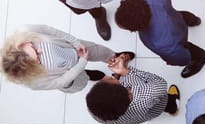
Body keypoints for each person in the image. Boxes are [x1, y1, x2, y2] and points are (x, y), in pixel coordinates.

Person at [115, 0, 205, 78]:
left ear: (137, 28)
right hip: (174, 15)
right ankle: (194, 20)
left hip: (177, 37)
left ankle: (202, 57)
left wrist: (173, 61)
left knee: (189, 49)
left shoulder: (158, 43)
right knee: (183, 16)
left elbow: (180, 57)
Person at [0, 24, 134, 93]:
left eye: (33, 47)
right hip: (70, 74)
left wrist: (75, 43)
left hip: (74, 48)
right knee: (83, 77)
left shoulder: (26, 30)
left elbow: (49, 30)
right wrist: (81, 64)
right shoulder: (34, 82)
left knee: (99, 51)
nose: (40, 50)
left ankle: (114, 58)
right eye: (37, 57)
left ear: (22, 44)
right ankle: (90, 75)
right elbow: (61, 81)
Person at [86, 54, 180, 124]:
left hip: (140, 116)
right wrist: (125, 71)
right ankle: (172, 107)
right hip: (158, 105)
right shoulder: (148, 94)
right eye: (112, 80)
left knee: (147, 111)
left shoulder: (96, 113)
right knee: (165, 102)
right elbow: (161, 84)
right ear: (129, 92)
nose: (108, 77)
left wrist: (118, 74)